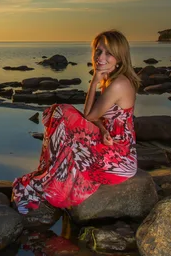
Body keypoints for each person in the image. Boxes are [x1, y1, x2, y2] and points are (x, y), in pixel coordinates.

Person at [12, 29, 141, 214]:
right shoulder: (111, 80)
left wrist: (93, 82)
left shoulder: (119, 84)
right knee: (64, 119)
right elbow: (94, 117)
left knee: (62, 112)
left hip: (120, 160)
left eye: (108, 53)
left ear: (120, 58)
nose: (100, 57)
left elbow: (88, 117)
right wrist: (103, 129)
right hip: (111, 146)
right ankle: (50, 175)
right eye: (98, 51)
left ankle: (49, 180)